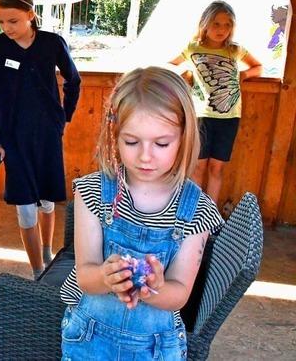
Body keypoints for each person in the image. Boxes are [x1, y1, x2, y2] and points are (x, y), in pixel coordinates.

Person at [59, 67, 223, 360]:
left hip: (156, 347)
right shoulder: (92, 192)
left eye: (161, 143)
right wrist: (105, 277)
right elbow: (85, 277)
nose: (145, 156)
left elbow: (180, 293)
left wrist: (156, 287)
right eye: (131, 142)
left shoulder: (197, 210)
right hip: (89, 338)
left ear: (184, 137)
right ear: (115, 135)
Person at [0, 0, 81, 280]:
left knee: (47, 201)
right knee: (25, 209)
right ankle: (37, 270)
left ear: (30, 15)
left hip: (48, 134)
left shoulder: (52, 43)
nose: (6, 28)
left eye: (13, 21)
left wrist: (65, 117)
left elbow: (73, 80)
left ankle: (48, 252)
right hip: (14, 139)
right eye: (0, 21)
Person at [170, 0, 262, 208]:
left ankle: (209, 214)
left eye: (227, 24)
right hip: (201, 116)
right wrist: (185, 73)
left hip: (229, 118)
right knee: (198, 168)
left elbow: (258, 67)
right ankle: (192, 211)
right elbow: (169, 65)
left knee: (216, 169)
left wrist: (244, 74)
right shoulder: (192, 48)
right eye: (217, 24)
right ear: (205, 24)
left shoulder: (235, 50)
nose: (222, 29)